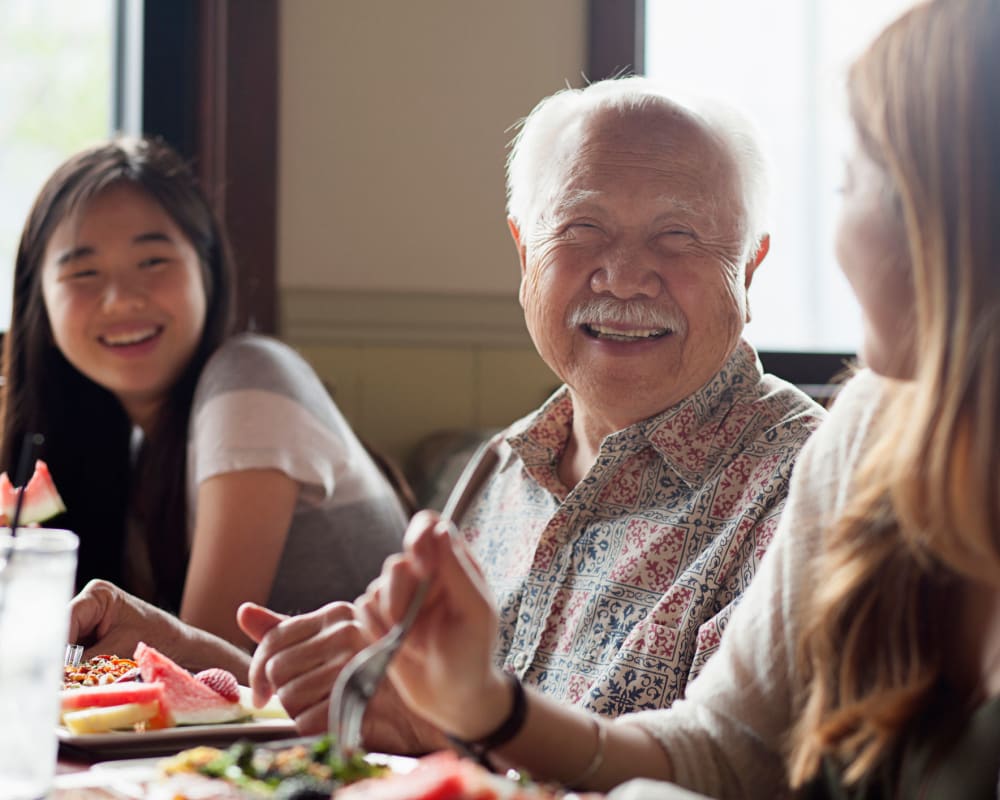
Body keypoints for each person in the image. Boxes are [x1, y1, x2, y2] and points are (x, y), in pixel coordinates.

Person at [349, 0, 1000, 795]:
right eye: (582, 228)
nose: (623, 276)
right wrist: (480, 709)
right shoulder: (873, 438)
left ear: (954, 218)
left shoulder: (800, 461)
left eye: (849, 183)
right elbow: (729, 749)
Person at [70, 76, 825, 742]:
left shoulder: (805, 484)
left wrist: (452, 734)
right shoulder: (500, 469)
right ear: (525, 253)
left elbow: (721, 771)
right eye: (582, 228)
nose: (625, 276)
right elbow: (379, 708)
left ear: (751, 266)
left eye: (679, 235)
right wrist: (182, 652)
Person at [5, 137, 406, 650]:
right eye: (84, 272)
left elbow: (193, 663)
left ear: (207, 270)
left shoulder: (250, 377)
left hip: (353, 727)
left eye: (152, 261)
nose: (122, 298)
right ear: (39, 298)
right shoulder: (127, 450)